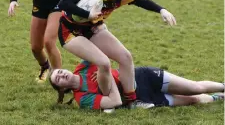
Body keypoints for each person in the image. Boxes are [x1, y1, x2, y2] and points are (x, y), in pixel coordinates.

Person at [58, 0, 176, 106]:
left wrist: (162, 10)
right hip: (70, 32)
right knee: (103, 62)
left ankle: (132, 101)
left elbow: (142, 1)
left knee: (126, 57)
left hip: (92, 29)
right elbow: (64, 3)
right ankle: (109, 101)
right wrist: (88, 14)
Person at [49, 60, 224, 111]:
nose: (61, 74)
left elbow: (101, 49)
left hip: (142, 77)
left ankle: (222, 86)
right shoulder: (83, 99)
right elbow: (113, 103)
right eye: (58, 79)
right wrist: (106, 79)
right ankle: (218, 97)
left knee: (195, 87)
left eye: (59, 71)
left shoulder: (83, 66)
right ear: (63, 89)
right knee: (192, 99)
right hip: (139, 98)